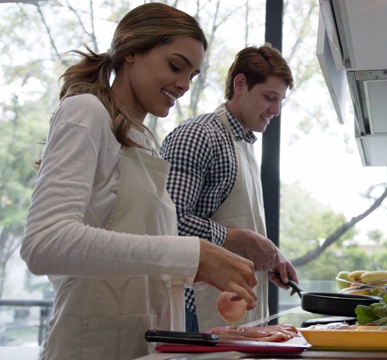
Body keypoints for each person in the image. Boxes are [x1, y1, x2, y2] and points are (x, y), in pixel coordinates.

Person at [20, 4, 258, 359]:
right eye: (176, 66)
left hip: (142, 343)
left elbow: (135, 257)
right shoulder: (86, 112)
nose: (182, 84)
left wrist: (195, 270)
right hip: (91, 346)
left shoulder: (142, 140)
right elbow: (44, 243)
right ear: (131, 50)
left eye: (191, 76)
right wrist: (190, 253)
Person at [160, 44, 299, 332]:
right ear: (240, 84)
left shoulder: (243, 143)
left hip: (234, 310)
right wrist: (245, 240)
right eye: (269, 97)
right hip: (193, 312)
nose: (275, 110)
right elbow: (168, 225)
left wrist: (270, 254)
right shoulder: (198, 135)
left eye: (280, 101)